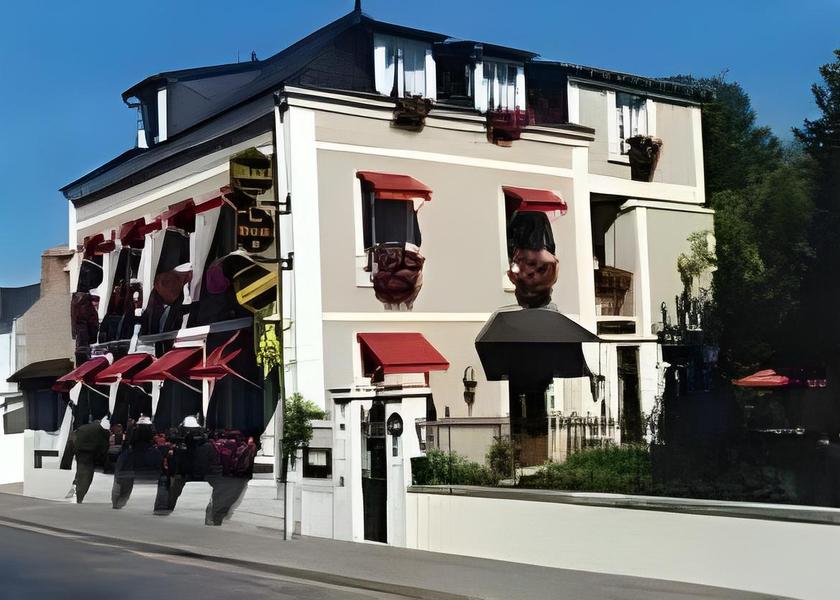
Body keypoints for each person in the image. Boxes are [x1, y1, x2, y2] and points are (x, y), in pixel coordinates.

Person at [111, 415, 162, 509]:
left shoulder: (134, 430)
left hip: (131, 457)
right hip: (144, 456)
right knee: (126, 481)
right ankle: (121, 500)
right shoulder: (151, 432)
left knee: (124, 482)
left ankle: (119, 501)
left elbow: (128, 441)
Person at [70, 417, 110, 503]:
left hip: (80, 453)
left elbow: (73, 439)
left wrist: (74, 451)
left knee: (80, 471)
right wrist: (101, 457)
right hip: (91, 455)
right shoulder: (102, 431)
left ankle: (77, 488)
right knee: (88, 476)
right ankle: (81, 494)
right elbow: (104, 446)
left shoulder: (81, 428)